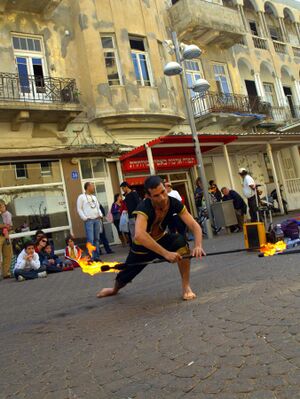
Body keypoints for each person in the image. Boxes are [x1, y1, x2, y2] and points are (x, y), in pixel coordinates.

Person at [97, 175, 205, 301]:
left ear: (165, 187)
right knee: (126, 274)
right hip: (142, 246)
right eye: (156, 196)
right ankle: (114, 289)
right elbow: (139, 235)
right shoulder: (143, 207)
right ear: (148, 196)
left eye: (163, 192)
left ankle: (186, 287)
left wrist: (198, 245)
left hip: (161, 238)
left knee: (181, 243)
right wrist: (166, 254)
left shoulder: (174, 203)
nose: (162, 198)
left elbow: (194, 225)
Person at [77, 182, 103, 261]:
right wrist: (85, 218)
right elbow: (79, 209)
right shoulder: (81, 197)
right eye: (92, 186)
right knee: (90, 240)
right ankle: (91, 257)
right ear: (88, 187)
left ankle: (97, 257)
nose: (94, 188)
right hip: (89, 221)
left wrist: (100, 215)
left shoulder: (94, 197)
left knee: (97, 239)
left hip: (97, 220)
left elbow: (98, 207)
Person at [0, 200, 13, 279]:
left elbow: (10, 226)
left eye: (2, 206)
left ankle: (6, 273)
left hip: (6, 235)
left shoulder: (6, 214)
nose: (1, 207)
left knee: (8, 255)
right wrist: (4, 225)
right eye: (1, 206)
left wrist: (8, 227)